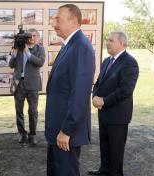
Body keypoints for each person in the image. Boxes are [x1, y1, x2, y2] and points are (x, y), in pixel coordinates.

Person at [45, 4, 95, 176]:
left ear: (73, 22)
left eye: (58, 19)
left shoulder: (81, 46)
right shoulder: (69, 44)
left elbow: (80, 94)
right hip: (58, 128)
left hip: (65, 132)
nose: (54, 23)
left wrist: (67, 130)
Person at [89, 32, 139, 176]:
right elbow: (98, 83)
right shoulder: (106, 61)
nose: (108, 43)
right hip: (103, 111)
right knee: (104, 145)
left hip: (118, 114)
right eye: (107, 40)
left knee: (116, 149)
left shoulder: (130, 62)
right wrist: (95, 97)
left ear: (122, 43)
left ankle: (115, 173)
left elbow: (126, 90)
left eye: (111, 40)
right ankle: (104, 170)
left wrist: (104, 101)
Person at [9, 28, 45, 145]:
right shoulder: (18, 49)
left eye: (35, 36)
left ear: (37, 38)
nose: (32, 38)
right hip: (19, 84)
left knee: (33, 111)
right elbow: (11, 65)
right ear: (26, 37)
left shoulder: (40, 49)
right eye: (30, 36)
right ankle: (22, 133)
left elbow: (40, 62)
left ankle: (33, 134)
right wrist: (14, 53)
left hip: (33, 85)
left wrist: (27, 52)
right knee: (19, 110)